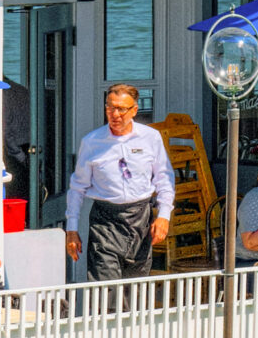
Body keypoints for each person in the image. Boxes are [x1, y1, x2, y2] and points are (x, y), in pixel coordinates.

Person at [64, 83, 175, 281]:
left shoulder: (151, 137)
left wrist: (164, 215)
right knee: (106, 292)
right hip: (105, 221)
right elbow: (77, 187)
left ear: (134, 110)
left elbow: (164, 179)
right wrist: (71, 229)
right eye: (110, 107)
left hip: (140, 217)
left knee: (135, 291)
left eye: (121, 109)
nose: (115, 114)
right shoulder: (92, 142)